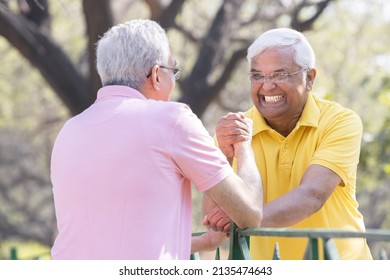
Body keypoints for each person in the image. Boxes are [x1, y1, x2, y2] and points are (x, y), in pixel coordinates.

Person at [50, 19, 263, 260]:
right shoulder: (171, 120)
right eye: (173, 71)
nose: (174, 80)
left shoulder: (69, 130)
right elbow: (250, 212)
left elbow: (110, 239)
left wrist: (203, 242)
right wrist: (244, 142)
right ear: (156, 75)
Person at [206, 27, 372, 260]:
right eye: (257, 75)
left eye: (280, 74)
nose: (267, 86)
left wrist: (244, 216)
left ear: (310, 78)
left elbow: (311, 195)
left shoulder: (340, 121)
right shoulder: (236, 131)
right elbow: (213, 216)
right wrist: (224, 153)